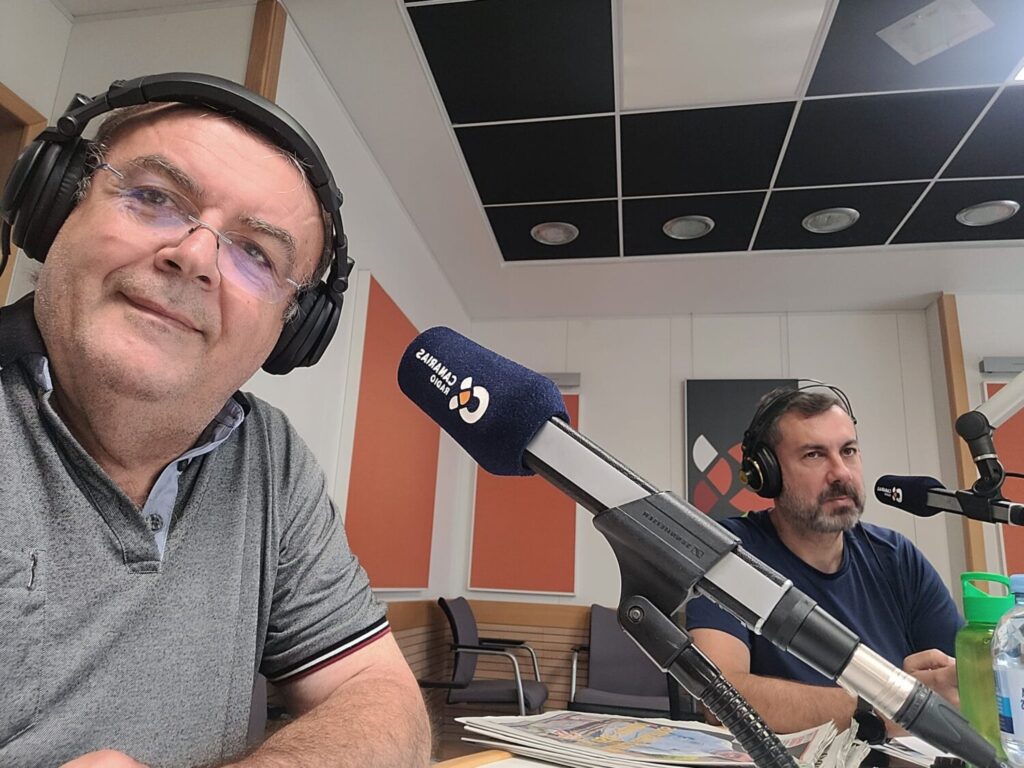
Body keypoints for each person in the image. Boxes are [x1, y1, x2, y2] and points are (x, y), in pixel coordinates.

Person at [0, 75, 430, 767]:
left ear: (289, 333)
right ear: (54, 205)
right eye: (154, 198)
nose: (195, 257)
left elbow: (378, 693)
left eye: (256, 253)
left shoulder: (270, 458)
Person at [684, 384, 963, 737]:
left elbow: (963, 683)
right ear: (767, 474)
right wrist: (883, 711)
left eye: (848, 451)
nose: (841, 473)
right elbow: (719, 696)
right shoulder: (731, 554)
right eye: (814, 455)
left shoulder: (897, 557)